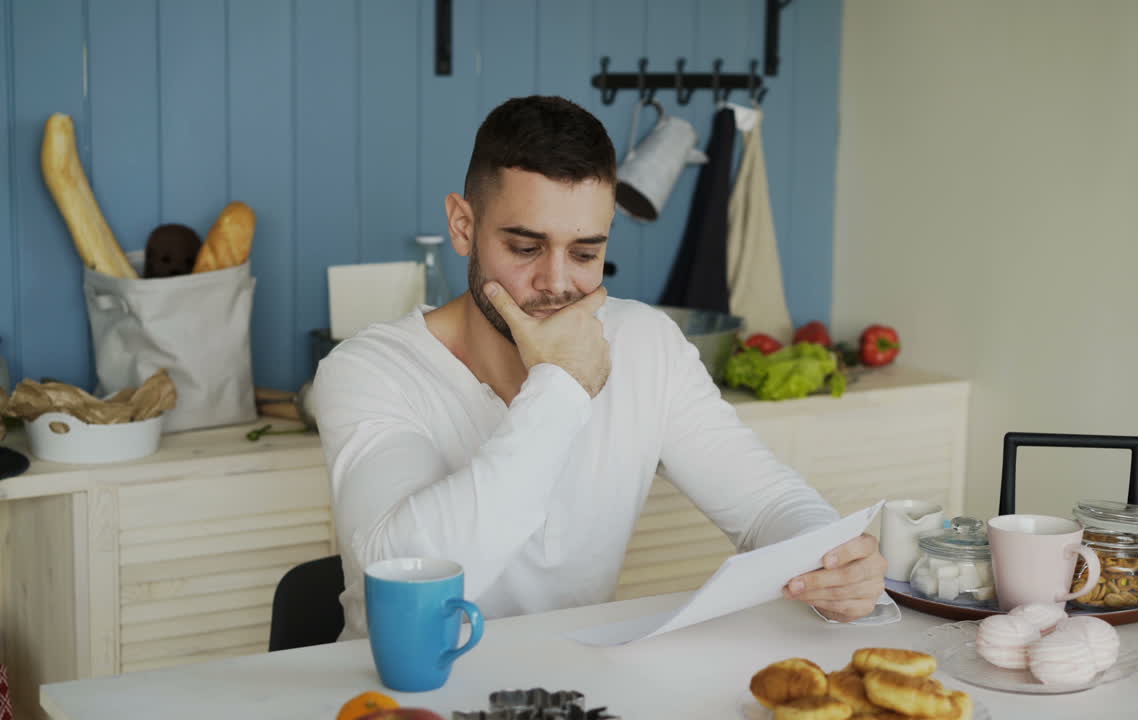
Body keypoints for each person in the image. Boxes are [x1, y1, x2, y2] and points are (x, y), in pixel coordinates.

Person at [310, 95, 887, 639]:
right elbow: (406, 578)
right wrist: (559, 387)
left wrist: (832, 557)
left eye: (585, 253)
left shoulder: (646, 344)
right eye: (525, 247)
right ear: (464, 227)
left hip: (569, 690)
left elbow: (766, 505)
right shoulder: (369, 370)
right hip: (399, 697)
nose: (558, 282)